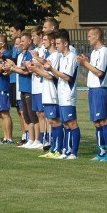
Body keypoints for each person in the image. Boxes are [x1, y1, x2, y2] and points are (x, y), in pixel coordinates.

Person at [77, 27, 107, 161]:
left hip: (100, 89)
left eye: (90, 36)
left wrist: (85, 63)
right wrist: (87, 62)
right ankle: (101, 151)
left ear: (97, 36)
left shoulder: (104, 51)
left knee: (103, 121)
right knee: (96, 122)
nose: (88, 38)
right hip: (92, 89)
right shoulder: (95, 52)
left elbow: (99, 72)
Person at [43, 30, 80, 159]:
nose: (56, 45)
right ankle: (66, 150)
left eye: (58, 43)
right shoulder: (63, 57)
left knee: (72, 123)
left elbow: (66, 77)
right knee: (65, 124)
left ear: (65, 43)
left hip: (68, 95)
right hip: (62, 95)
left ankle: (74, 152)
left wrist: (51, 70)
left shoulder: (71, 57)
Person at [32, 31, 64, 158]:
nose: (43, 41)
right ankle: (54, 148)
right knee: (51, 122)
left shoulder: (55, 56)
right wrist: (37, 71)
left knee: (55, 122)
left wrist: (37, 70)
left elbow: (52, 77)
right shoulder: (50, 57)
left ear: (51, 41)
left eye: (45, 39)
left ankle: (58, 148)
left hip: (52, 94)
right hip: (47, 93)